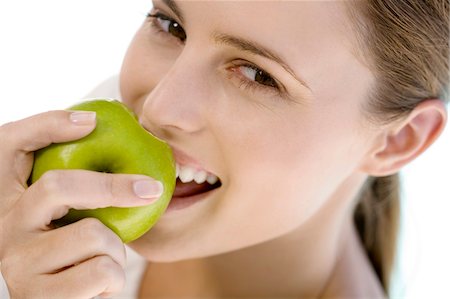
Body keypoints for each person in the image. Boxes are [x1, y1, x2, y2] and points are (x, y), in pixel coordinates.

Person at [0, 0, 448, 298]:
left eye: (257, 75)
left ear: (398, 140)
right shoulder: (80, 162)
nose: (157, 107)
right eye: (170, 25)